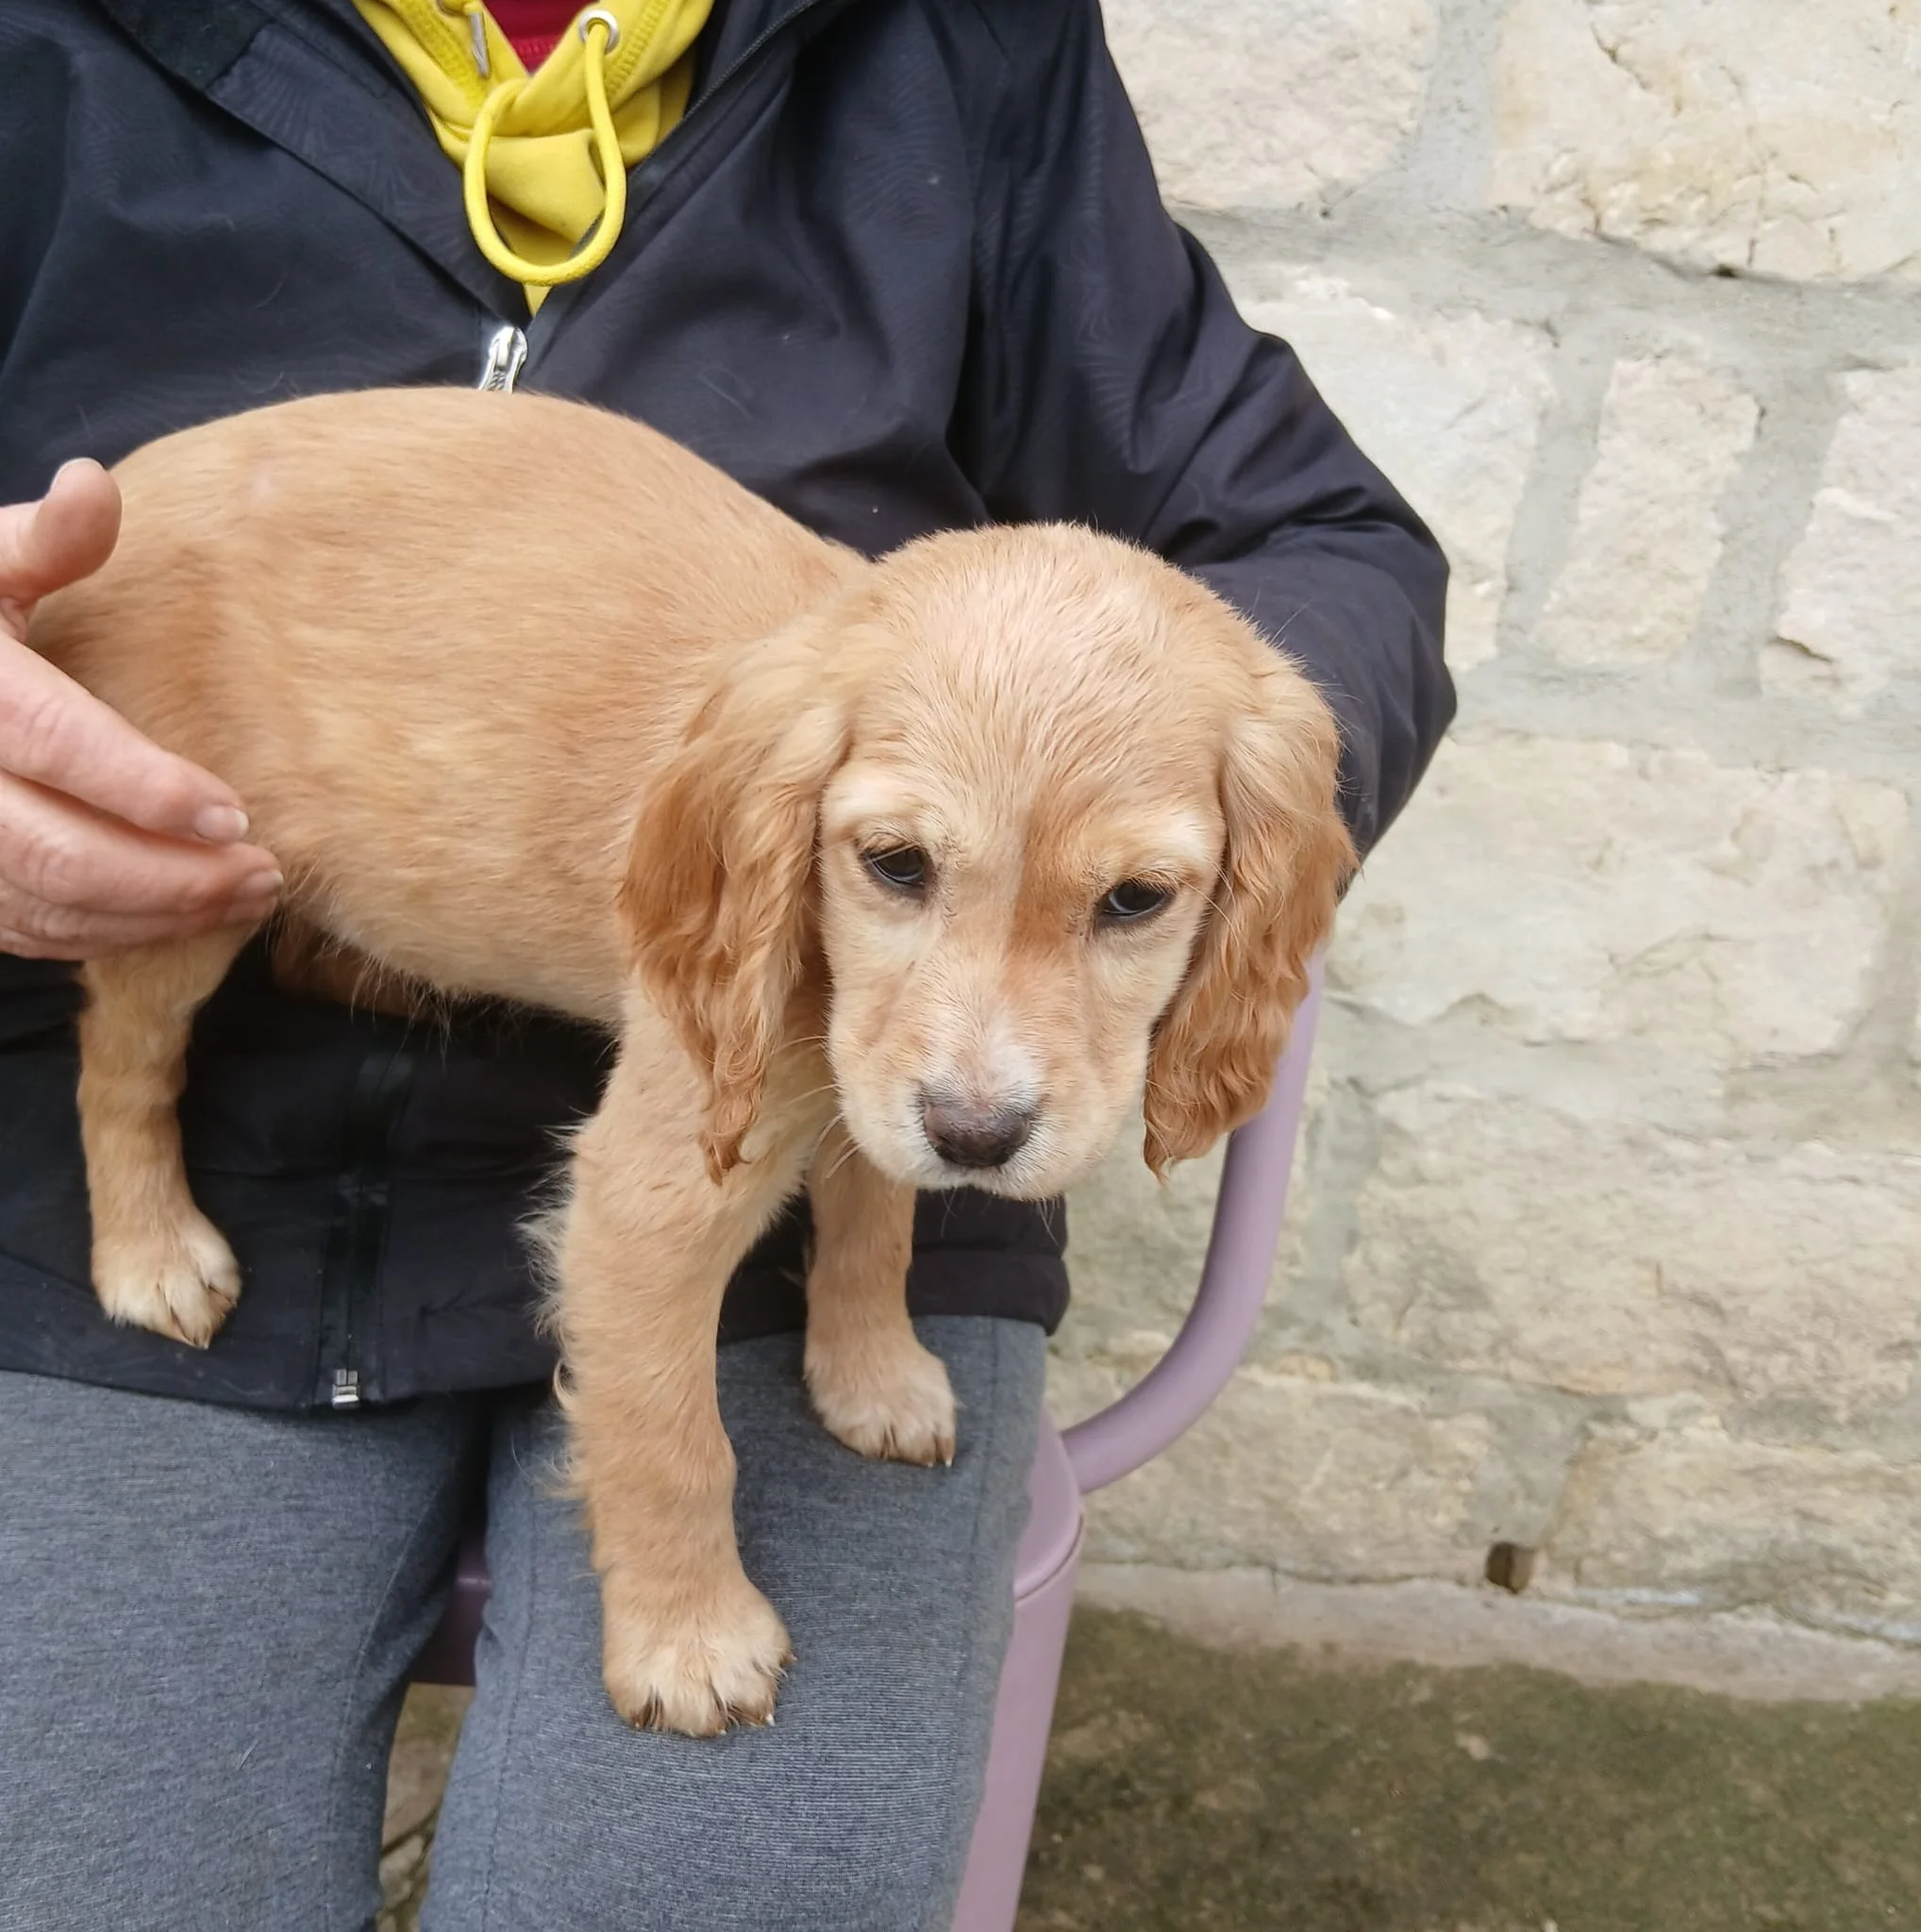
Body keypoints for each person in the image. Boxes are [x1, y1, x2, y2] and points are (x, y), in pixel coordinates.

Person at [0, 2, 1453, 1926]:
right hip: (208, 1098)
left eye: (1130, 905)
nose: (986, 1067)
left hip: (738, 1171)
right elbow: (653, 1195)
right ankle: (134, 1149)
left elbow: (1336, 544)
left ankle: (855, 1292)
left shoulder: (966, 49)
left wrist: (1222, 742)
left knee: (717, 1875)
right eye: (900, 860)